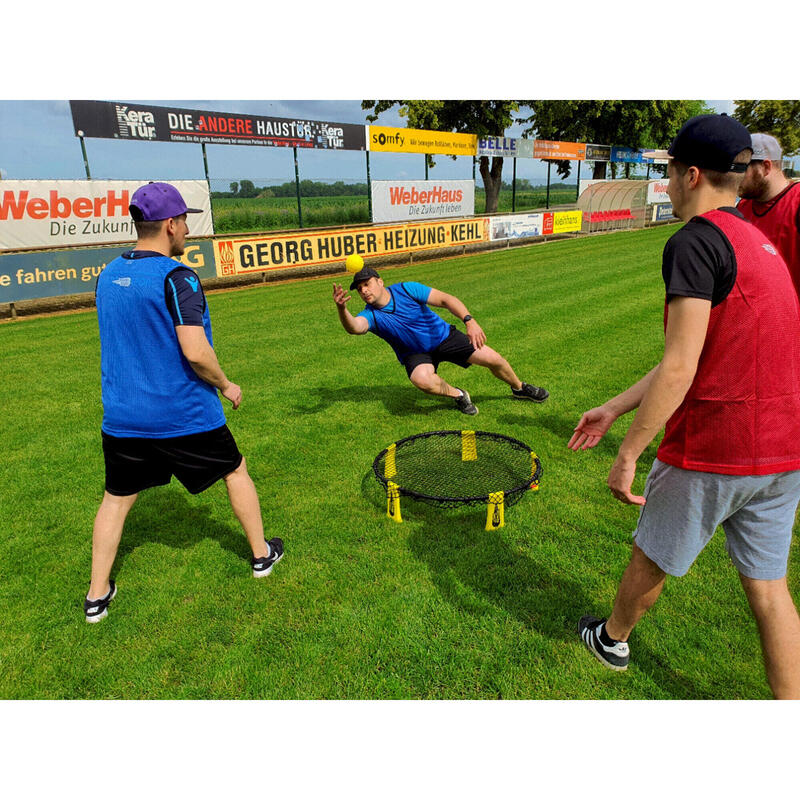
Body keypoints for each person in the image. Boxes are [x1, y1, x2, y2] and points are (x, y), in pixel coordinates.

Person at [569, 114, 800, 699]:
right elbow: (698, 349)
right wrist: (615, 408)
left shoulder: (694, 242)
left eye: (669, 173)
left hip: (716, 446)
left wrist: (628, 455)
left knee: (652, 555)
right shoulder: (757, 237)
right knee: (771, 592)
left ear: (691, 174)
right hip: (786, 450)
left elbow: (680, 367)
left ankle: (612, 639)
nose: (666, 185)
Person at [85, 182, 283, 623]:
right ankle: (261, 555)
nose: (188, 230)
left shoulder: (107, 274)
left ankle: (96, 596)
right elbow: (194, 350)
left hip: (123, 418)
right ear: (171, 225)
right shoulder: (179, 276)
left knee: (115, 499)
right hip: (183, 414)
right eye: (185, 221)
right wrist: (227, 384)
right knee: (235, 470)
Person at [333, 267, 548, 415]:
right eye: (359, 288)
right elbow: (355, 327)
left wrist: (469, 321)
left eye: (366, 284)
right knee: (422, 380)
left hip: (443, 337)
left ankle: (519, 388)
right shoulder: (370, 314)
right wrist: (342, 309)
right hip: (415, 353)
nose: (363, 290)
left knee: (494, 359)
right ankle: (460, 395)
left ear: (380, 281)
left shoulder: (407, 289)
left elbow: (446, 300)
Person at [737, 132, 800, 299]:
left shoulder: (796, 202)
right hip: (760, 319)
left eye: (742, 168)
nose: (735, 176)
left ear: (766, 167)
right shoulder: (742, 208)